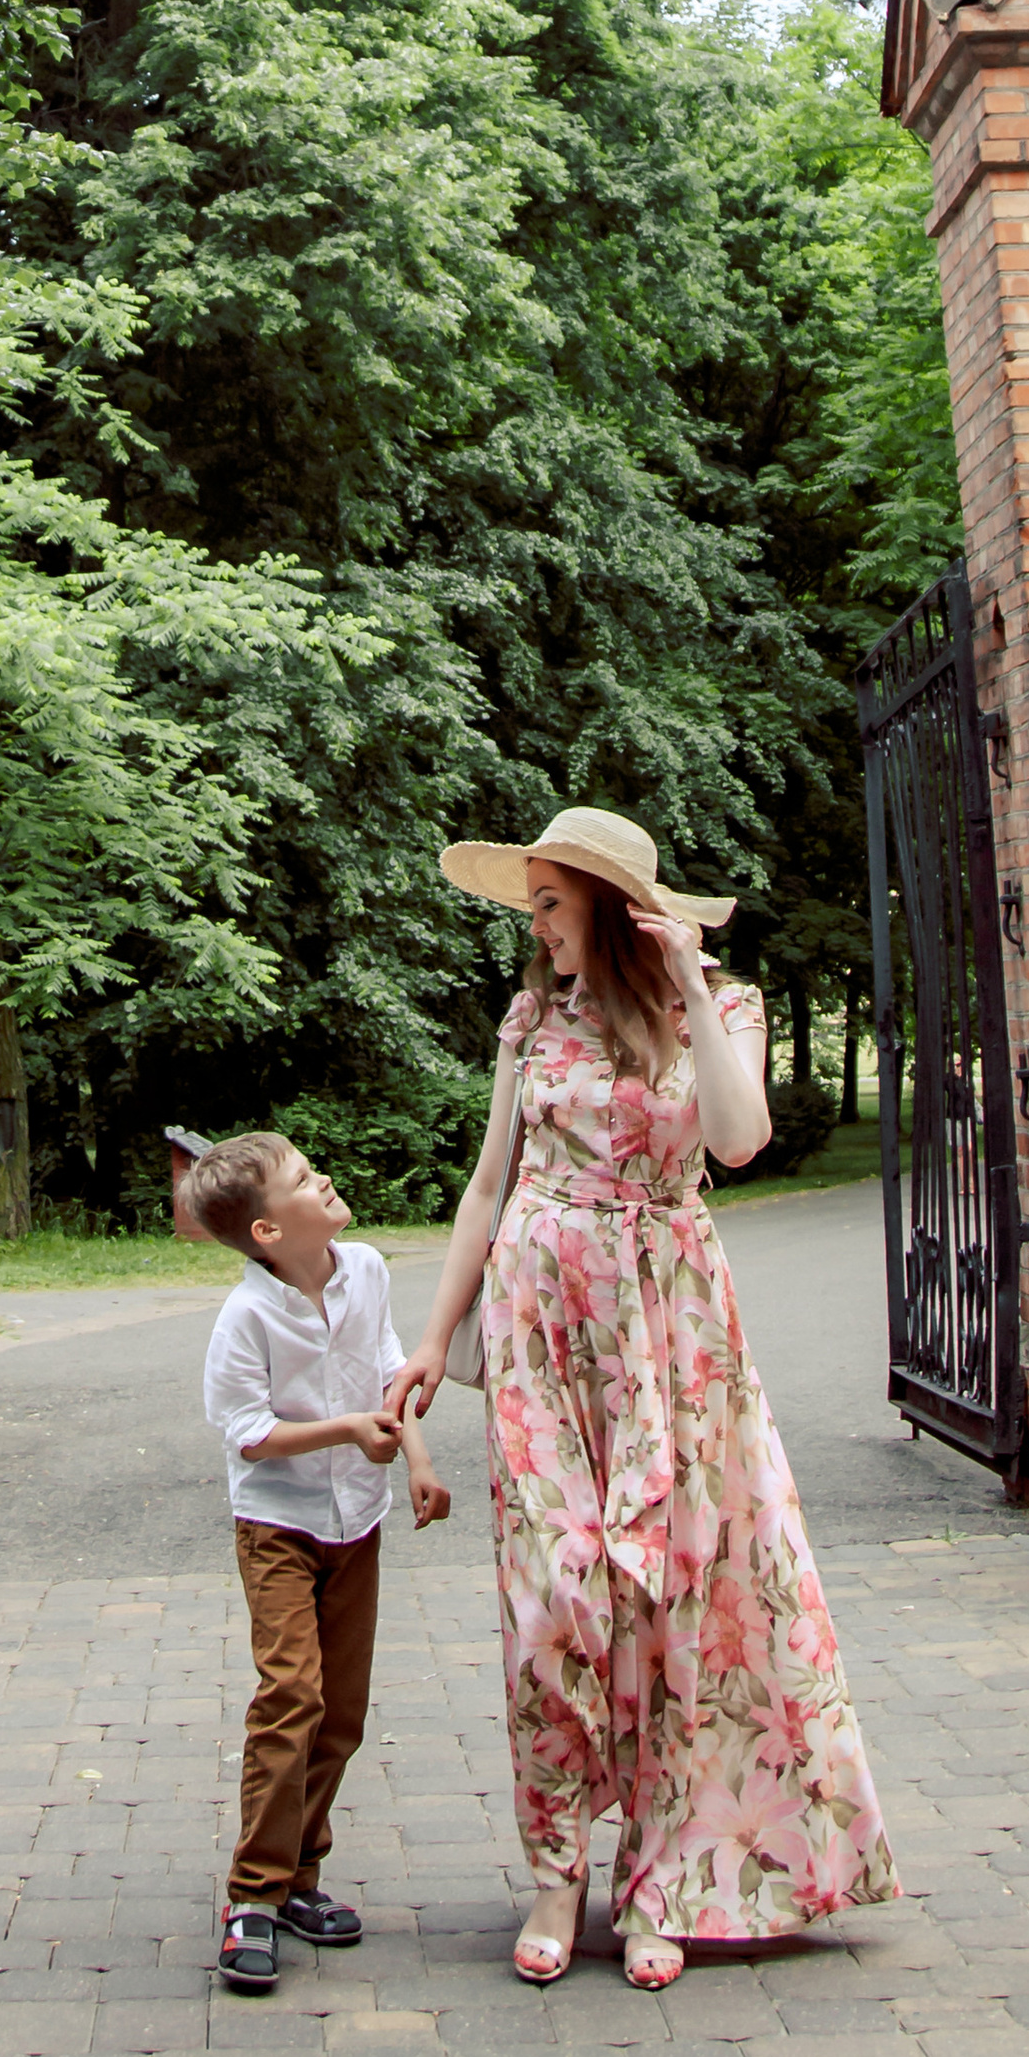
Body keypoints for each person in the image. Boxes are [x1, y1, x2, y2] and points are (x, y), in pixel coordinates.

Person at [388, 806, 899, 1993]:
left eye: (553, 903)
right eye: (535, 907)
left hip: (674, 1334)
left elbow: (738, 1140)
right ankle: (555, 1871)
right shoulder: (530, 1020)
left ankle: (662, 1877)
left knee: (675, 1597)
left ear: (613, 910)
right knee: (552, 1597)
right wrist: (429, 1340)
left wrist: (682, 973)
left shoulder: (715, 1008)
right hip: (540, 1330)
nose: (539, 926)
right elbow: (484, 1187)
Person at [196, 1129, 450, 1994]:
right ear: (267, 1231)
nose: (326, 1176)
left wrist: (415, 1459)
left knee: (339, 1713)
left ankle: (301, 1876)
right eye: (304, 1179)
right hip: (278, 1527)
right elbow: (250, 1435)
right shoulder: (245, 1317)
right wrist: (346, 1431)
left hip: (359, 1522)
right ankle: (252, 1900)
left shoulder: (368, 1270)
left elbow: (388, 1372)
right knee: (291, 1696)